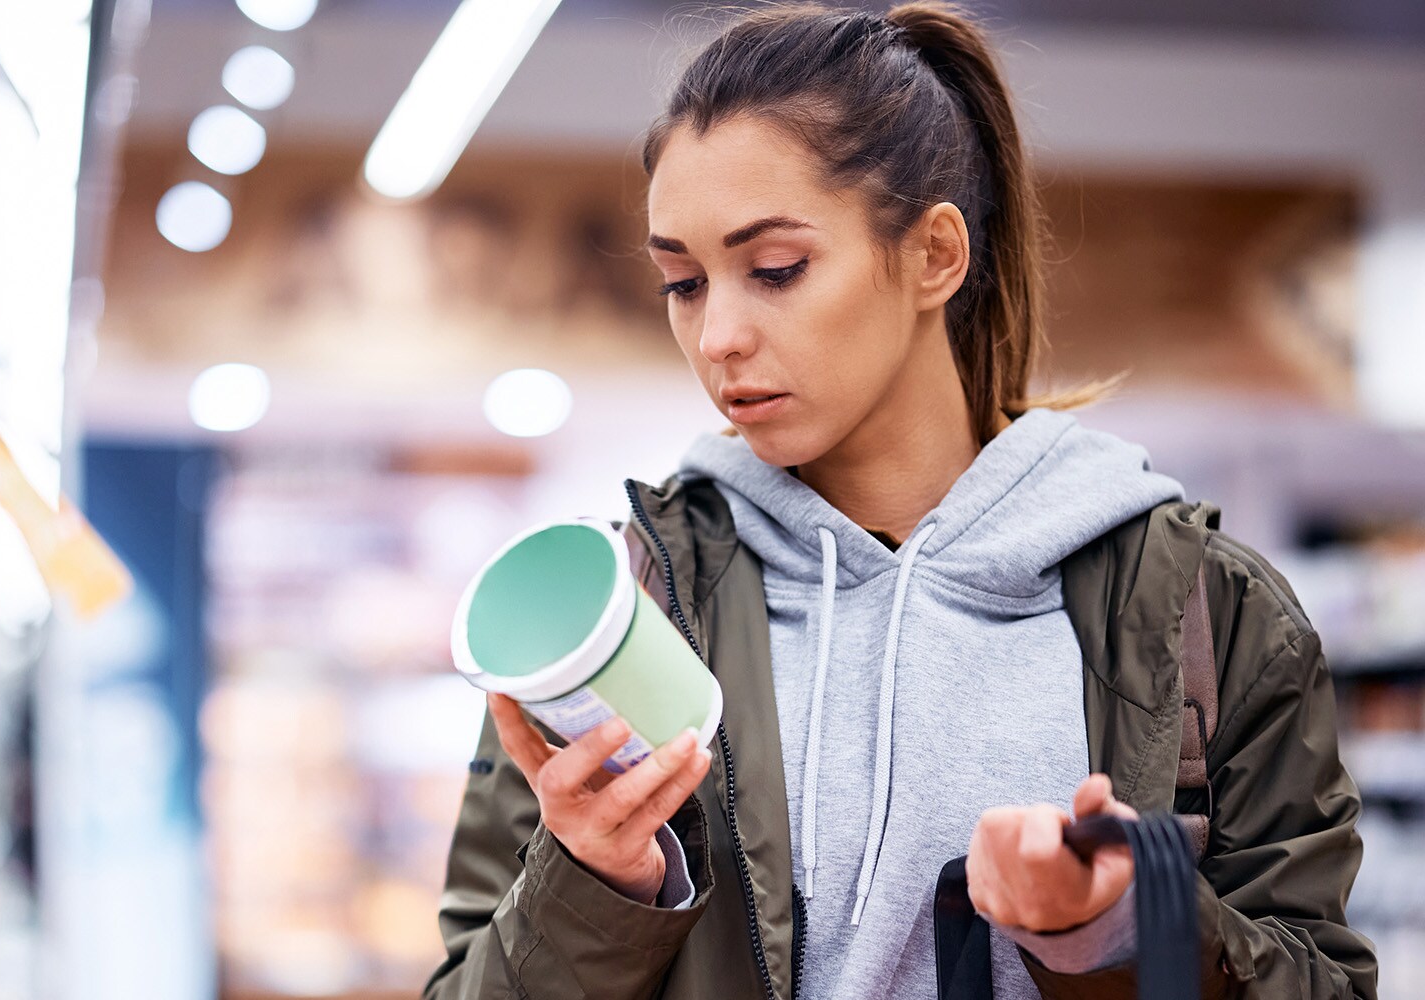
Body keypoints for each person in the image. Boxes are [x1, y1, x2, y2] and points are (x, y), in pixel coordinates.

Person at [424, 4, 1376, 999]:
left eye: (776, 270)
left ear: (934, 256)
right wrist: (599, 884)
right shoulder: (624, 614)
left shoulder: (1208, 613)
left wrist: (1121, 927)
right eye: (683, 282)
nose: (718, 337)